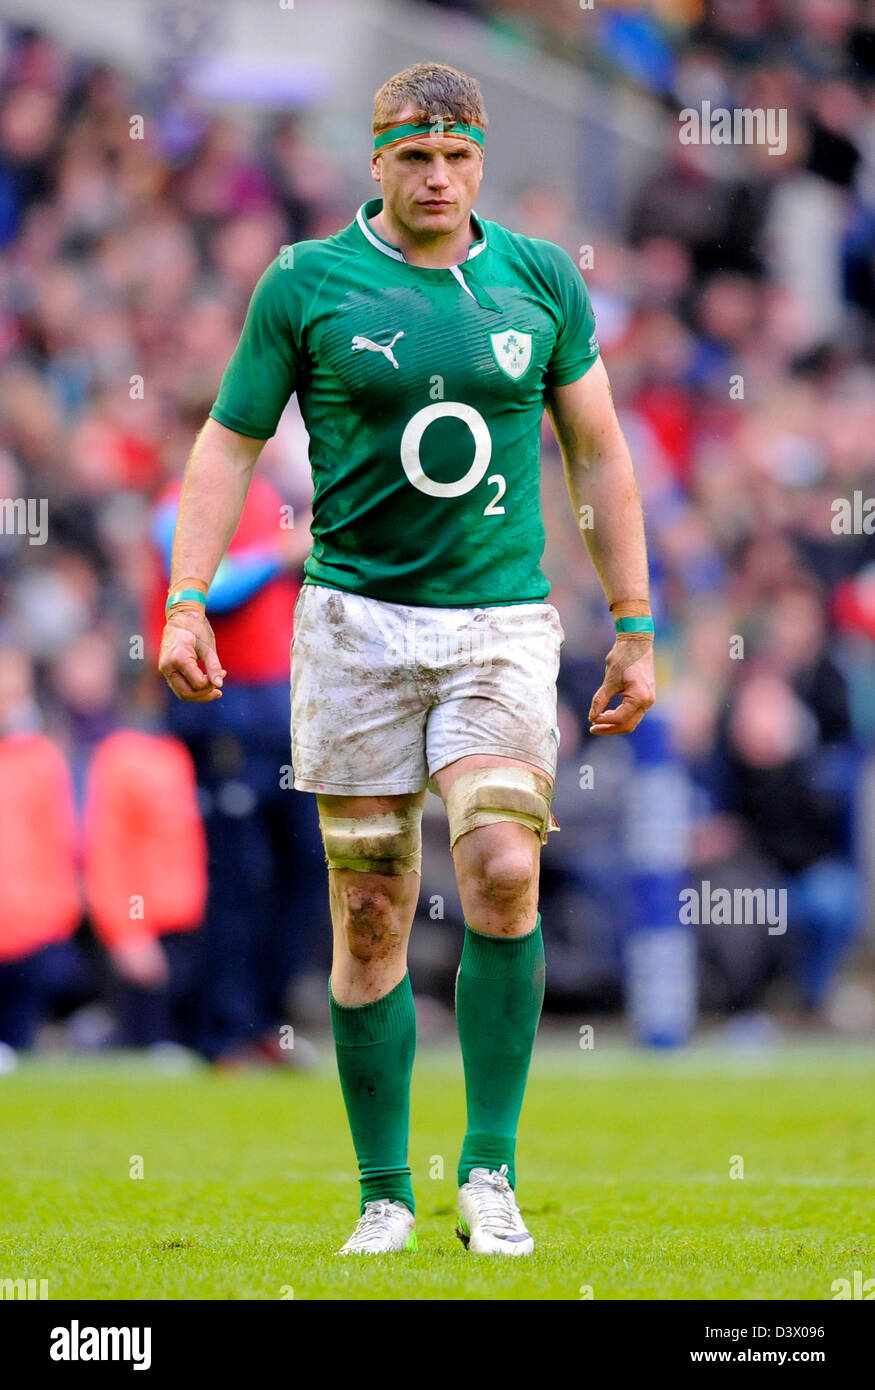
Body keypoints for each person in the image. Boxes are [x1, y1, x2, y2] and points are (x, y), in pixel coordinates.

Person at [158, 62, 655, 1256]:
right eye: (413, 157)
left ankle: (488, 1171)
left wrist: (634, 616)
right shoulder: (306, 282)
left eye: (457, 156)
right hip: (354, 631)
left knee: (497, 863)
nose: (437, 177)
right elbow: (227, 444)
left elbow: (595, 451)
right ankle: (384, 1192)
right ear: (374, 161)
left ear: (479, 159)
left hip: (495, 624)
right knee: (372, 908)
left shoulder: (538, 278)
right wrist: (184, 599)